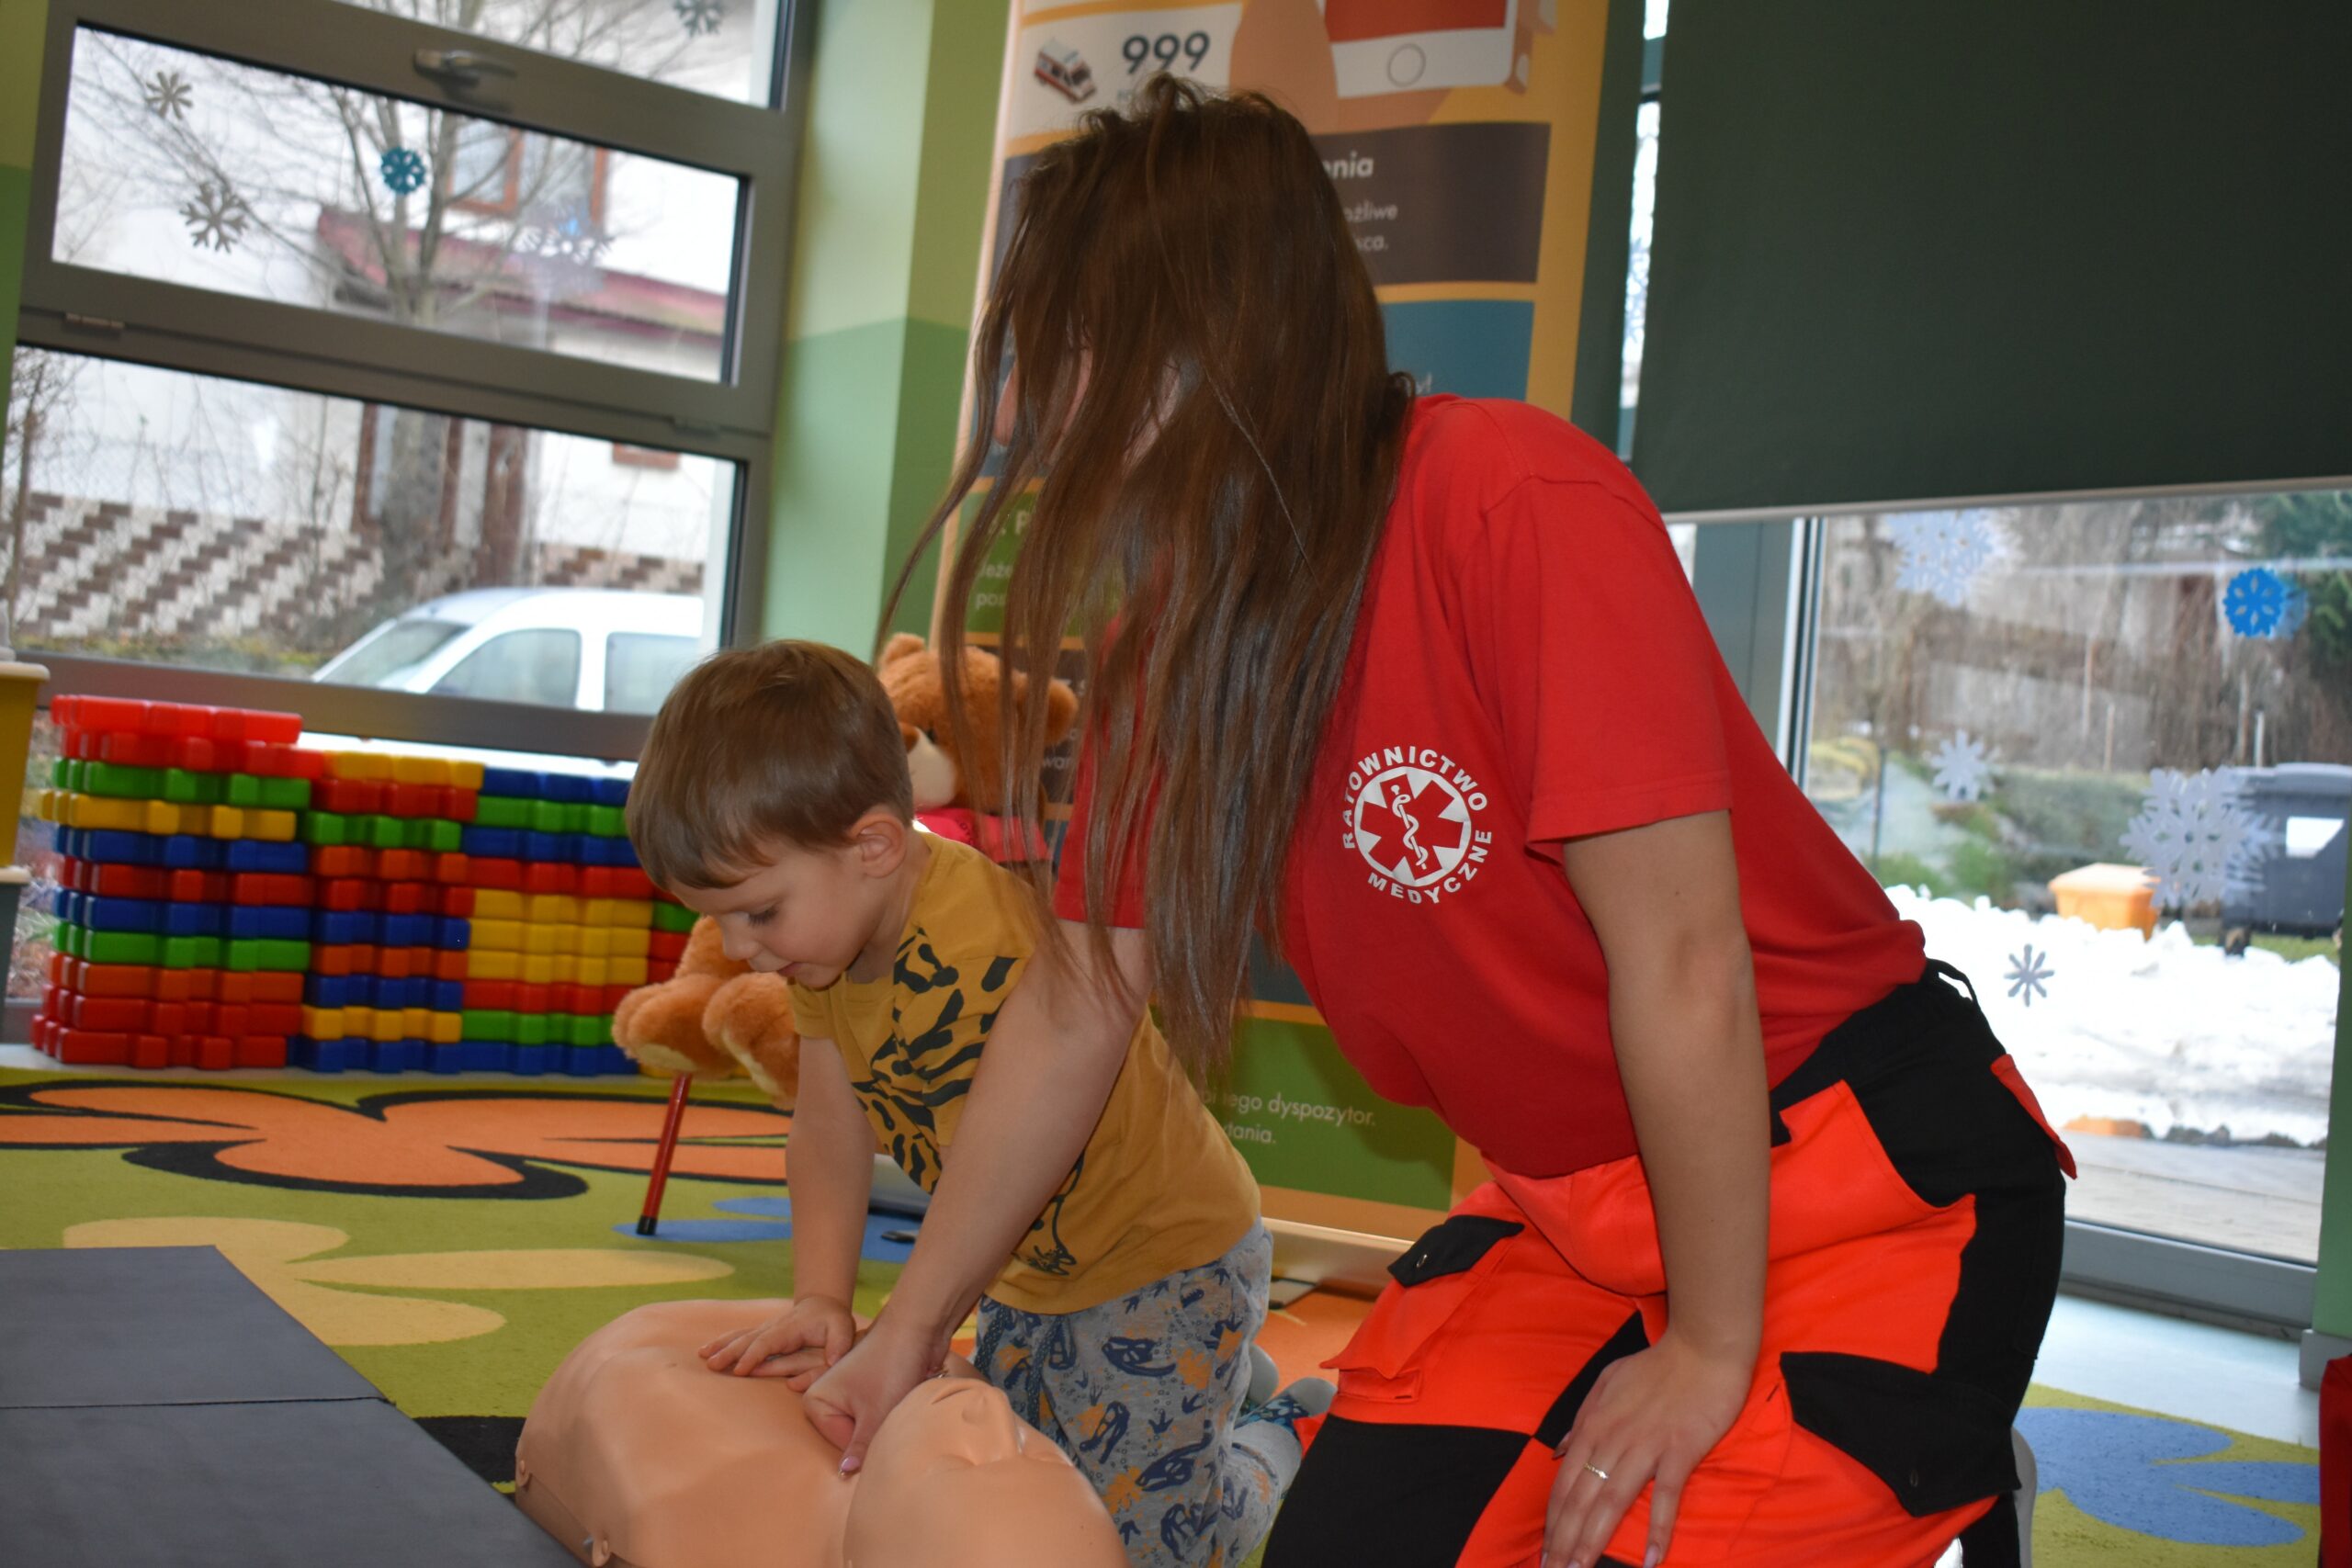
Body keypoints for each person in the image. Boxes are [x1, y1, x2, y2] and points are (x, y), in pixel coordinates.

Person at [831, 77, 2075, 1568]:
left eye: (1081, 348)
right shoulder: (1174, 647)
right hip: (1580, 1212)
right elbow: (1074, 1001)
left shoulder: (1509, 501)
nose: (1040, 412)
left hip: (1848, 1175)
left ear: (1219, 329)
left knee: (1661, 1531)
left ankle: (1926, 1442)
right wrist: (907, 1327)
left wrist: (1708, 1349)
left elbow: (1683, 963)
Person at [625, 640, 1325, 1568]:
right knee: (1027, 1488)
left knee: (1145, 1544)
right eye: (718, 918)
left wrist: (909, 1320)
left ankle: (1282, 1435)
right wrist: (820, 1297)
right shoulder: (824, 951)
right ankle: (1219, 1387)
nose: (741, 946)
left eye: (758, 911)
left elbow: (1030, 1120)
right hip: (1019, 1266)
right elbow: (828, 1128)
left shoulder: (975, 941)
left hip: (1163, 1258)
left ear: (873, 846)